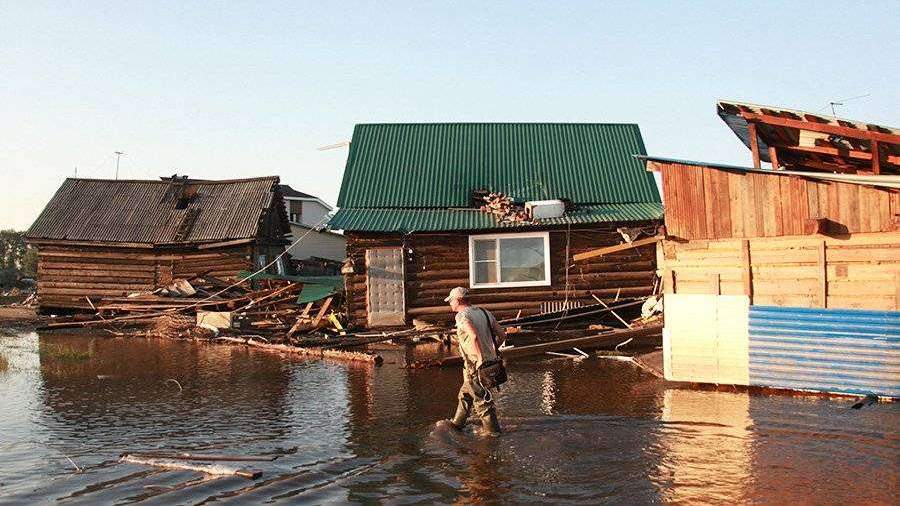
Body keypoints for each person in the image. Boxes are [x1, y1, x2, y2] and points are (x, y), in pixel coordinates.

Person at [443, 286, 506, 435]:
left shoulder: (462, 316)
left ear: (458, 300)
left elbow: (473, 336)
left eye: (451, 301)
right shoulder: (485, 312)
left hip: (476, 365)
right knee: (465, 394)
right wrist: (490, 351)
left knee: (482, 402)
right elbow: (503, 335)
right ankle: (456, 424)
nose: (450, 304)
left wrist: (479, 358)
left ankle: (493, 433)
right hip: (491, 362)